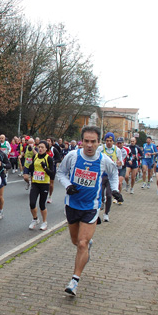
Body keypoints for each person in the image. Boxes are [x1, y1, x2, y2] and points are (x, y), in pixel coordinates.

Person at [57, 126, 122, 296]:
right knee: (75, 241)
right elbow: (61, 173)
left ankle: (74, 281)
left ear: (99, 142)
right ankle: (86, 247)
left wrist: (114, 190)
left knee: (82, 243)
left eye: (93, 141)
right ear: (82, 141)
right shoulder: (72, 156)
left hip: (91, 207)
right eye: (86, 141)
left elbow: (114, 174)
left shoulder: (104, 160)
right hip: (72, 205)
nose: (89, 145)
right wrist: (68, 185)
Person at [27, 141, 55, 230]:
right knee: (32, 203)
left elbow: (52, 174)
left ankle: (44, 222)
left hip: (44, 184)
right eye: (39, 147)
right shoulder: (35, 157)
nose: (40, 149)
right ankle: (35, 219)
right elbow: (32, 167)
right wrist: (30, 168)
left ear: (46, 149)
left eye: (42, 147)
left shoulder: (49, 159)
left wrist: (45, 168)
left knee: (42, 204)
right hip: (35, 183)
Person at [96, 132, 123, 222]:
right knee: (99, 194)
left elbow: (121, 162)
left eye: (110, 141)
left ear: (113, 141)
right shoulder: (100, 148)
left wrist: (120, 164)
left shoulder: (117, 150)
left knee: (109, 195)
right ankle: (97, 212)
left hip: (111, 176)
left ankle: (106, 214)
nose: (108, 142)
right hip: (101, 175)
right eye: (107, 141)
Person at [115, 137, 130, 201]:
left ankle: (118, 195)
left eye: (120, 143)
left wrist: (130, 160)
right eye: (118, 143)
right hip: (115, 168)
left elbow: (130, 155)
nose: (119, 145)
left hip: (122, 168)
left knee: (120, 182)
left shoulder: (125, 150)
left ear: (123, 143)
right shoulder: (114, 149)